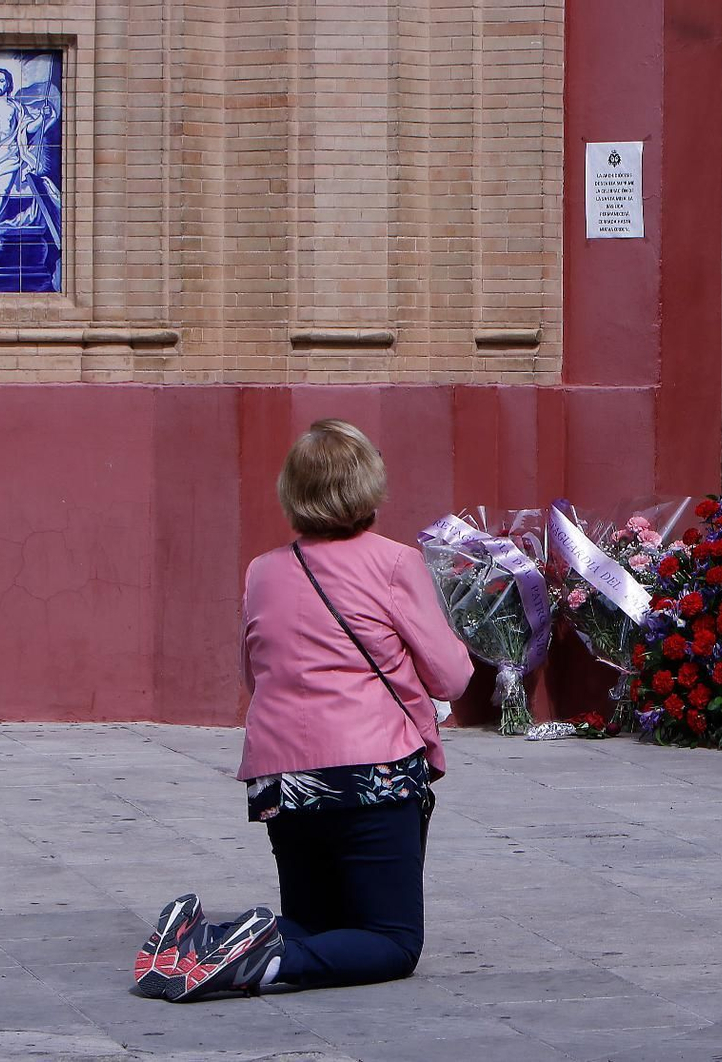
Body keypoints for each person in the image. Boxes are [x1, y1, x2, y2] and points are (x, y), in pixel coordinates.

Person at [133, 419, 473, 1003]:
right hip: (372, 768)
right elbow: (453, 675)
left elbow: (254, 672)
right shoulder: (395, 564)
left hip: (280, 775)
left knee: (316, 922)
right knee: (391, 941)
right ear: (369, 486)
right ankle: (254, 963)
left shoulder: (262, 570)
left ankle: (201, 940)